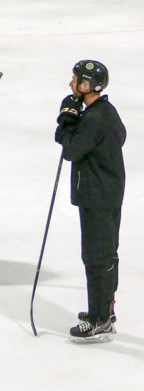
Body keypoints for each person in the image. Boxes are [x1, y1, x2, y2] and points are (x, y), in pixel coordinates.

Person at [55, 60, 125, 342]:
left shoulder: (94, 119)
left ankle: (100, 320)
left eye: (74, 80)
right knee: (104, 254)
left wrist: (66, 121)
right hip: (105, 193)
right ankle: (103, 310)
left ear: (86, 86)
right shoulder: (105, 111)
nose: (70, 84)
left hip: (98, 196)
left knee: (97, 257)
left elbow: (70, 150)